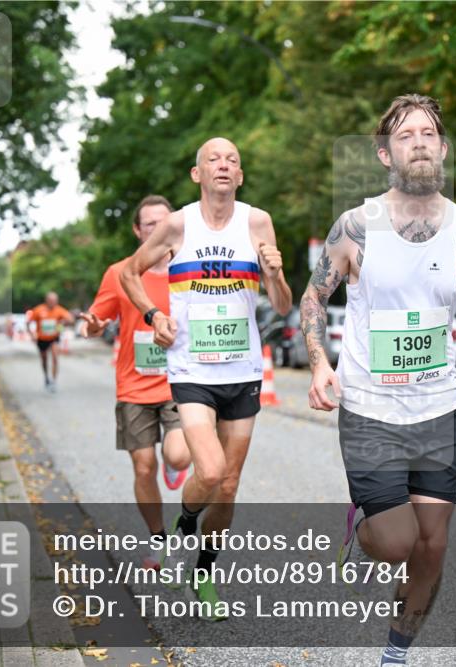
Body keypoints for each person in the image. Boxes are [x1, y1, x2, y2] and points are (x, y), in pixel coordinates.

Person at [300, 94, 456, 665]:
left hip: (436, 412)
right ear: (385, 153)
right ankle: (362, 532)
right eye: (406, 135)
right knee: (397, 541)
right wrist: (319, 361)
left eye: (429, 133)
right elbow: (313, 297)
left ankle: (396, 652)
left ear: (444, 149)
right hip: (370, 411)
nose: (420, 142)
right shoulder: (356, 226)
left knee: (431, 546)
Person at [119, 138, 293, 619]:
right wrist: (154, 315)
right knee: (210, 472)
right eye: (213, 159)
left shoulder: (257, 222)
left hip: (243, 370)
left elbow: (281, 306)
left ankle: (204, 572)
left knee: (230, 485)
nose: (223, 165)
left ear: (240, 177)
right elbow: (130, 274)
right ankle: (185, 523)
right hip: (192, 369)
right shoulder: (177, 224)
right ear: (197, 175)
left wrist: (275, 276)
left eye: (233, 160)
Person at [80, 195, 192, 569]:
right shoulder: (120, 272)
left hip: (180, 383)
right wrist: (93, 326)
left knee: (177, 454)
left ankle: (174, 466)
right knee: (143, 467)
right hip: (134, 386)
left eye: (164, 222)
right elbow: (94, 321)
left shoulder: (189, 270)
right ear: (137, 230)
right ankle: (160, 540)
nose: (157, 229)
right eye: (149, 224)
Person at [26, 292, 74, 392]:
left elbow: (71, 319)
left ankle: (54, 381)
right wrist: (32, 335)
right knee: (44, 360)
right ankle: (46, 377)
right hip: (42, 339)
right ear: (46, 300)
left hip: (54, 338)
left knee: (55, 357)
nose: (53, 303)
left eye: (55, 301)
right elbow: (28, 322)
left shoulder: (59, 310)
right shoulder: (39, 310)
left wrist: (63, 322)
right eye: (51, 301)